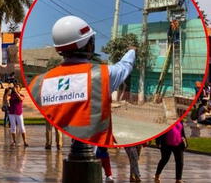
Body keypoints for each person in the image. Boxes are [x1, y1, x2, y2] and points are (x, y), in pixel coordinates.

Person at [28, 15, 136, 145]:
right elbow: (125, 66)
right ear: (89, 46)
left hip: (72, 157)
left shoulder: (37, 83)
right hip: (97, 155)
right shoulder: (103, 75)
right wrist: (132, 51)